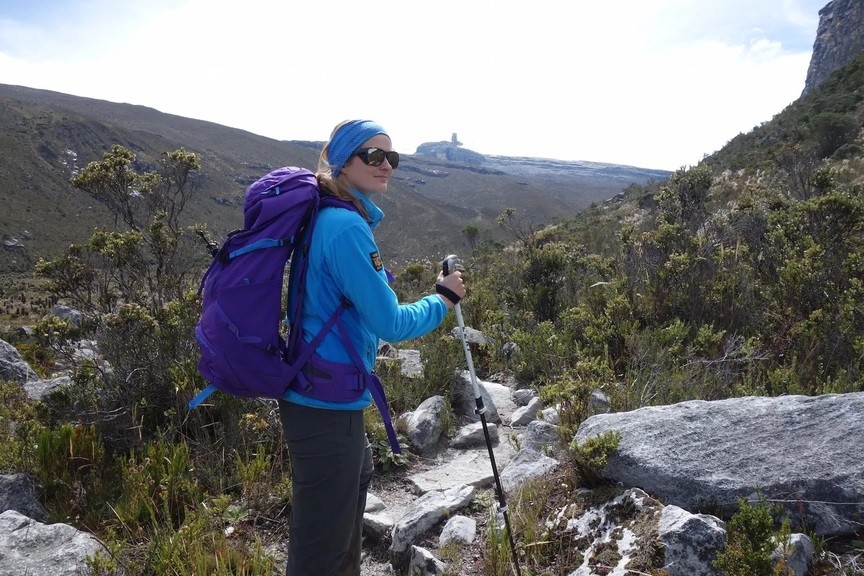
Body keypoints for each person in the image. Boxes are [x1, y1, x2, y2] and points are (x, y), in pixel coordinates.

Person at [278, 119, 466, 575]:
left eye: (392, 157)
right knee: (320, 547)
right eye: (373, 156)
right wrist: (442, 299)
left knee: (341, 523)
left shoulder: (327, 215)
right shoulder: (345, 228)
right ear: (343, 161)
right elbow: (391, 323)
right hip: (325, 405)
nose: (386, 166)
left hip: (321, 394)